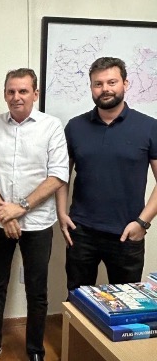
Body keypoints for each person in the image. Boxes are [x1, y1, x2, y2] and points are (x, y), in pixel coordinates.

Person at [0, 68, 69, 361]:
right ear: (5, 94)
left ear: (35, 94)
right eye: (11, 91)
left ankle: (35, 349)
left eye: (23, 91)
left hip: (38, 223)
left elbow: (58, 175)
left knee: (37, 290)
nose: (16, 97)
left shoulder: (51, 127)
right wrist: (5, 212)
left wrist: (21, 208)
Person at [57, 57, 157, 291]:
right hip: (81, 232)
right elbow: (61, 176)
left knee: (126, 304)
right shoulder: (75, 126)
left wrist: (142, 222)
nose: (105, 89)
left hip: (127, 233)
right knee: (77, 300)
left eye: (112, 82)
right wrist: (61, 213)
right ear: (91, 87)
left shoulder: (149, 127)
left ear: (125, 83)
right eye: (98, 84)